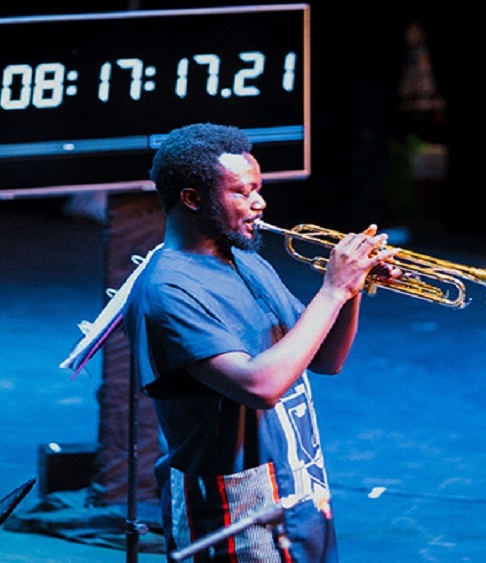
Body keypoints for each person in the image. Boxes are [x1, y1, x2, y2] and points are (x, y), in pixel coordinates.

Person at [122, 123, 400, 562]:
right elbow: (260, 387)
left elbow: (326, 360)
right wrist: (331, 290)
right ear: (192, 198)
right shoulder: (167, 290)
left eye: (258, 188)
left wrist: (352, 290)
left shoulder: (245, 260)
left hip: (298, 487)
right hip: (235, 510)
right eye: (242, 191)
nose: (259, 202)